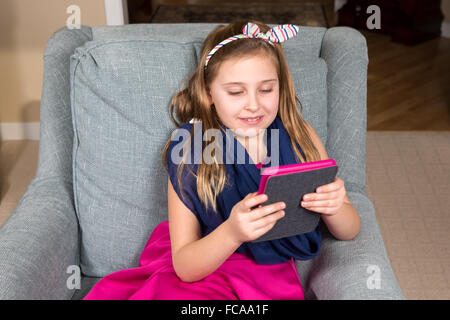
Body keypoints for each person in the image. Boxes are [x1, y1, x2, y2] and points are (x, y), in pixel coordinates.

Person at [83, 20, 360, 300]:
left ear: (281, 86)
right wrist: (233, 233)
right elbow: (185, 266)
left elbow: (350, 229)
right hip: (202, 265)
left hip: (267, 278)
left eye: (266, 89)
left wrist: (335, 207)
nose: (253, 104)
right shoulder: (193, 147)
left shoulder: (300, 135)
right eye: (236, 92)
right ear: (208, 93)